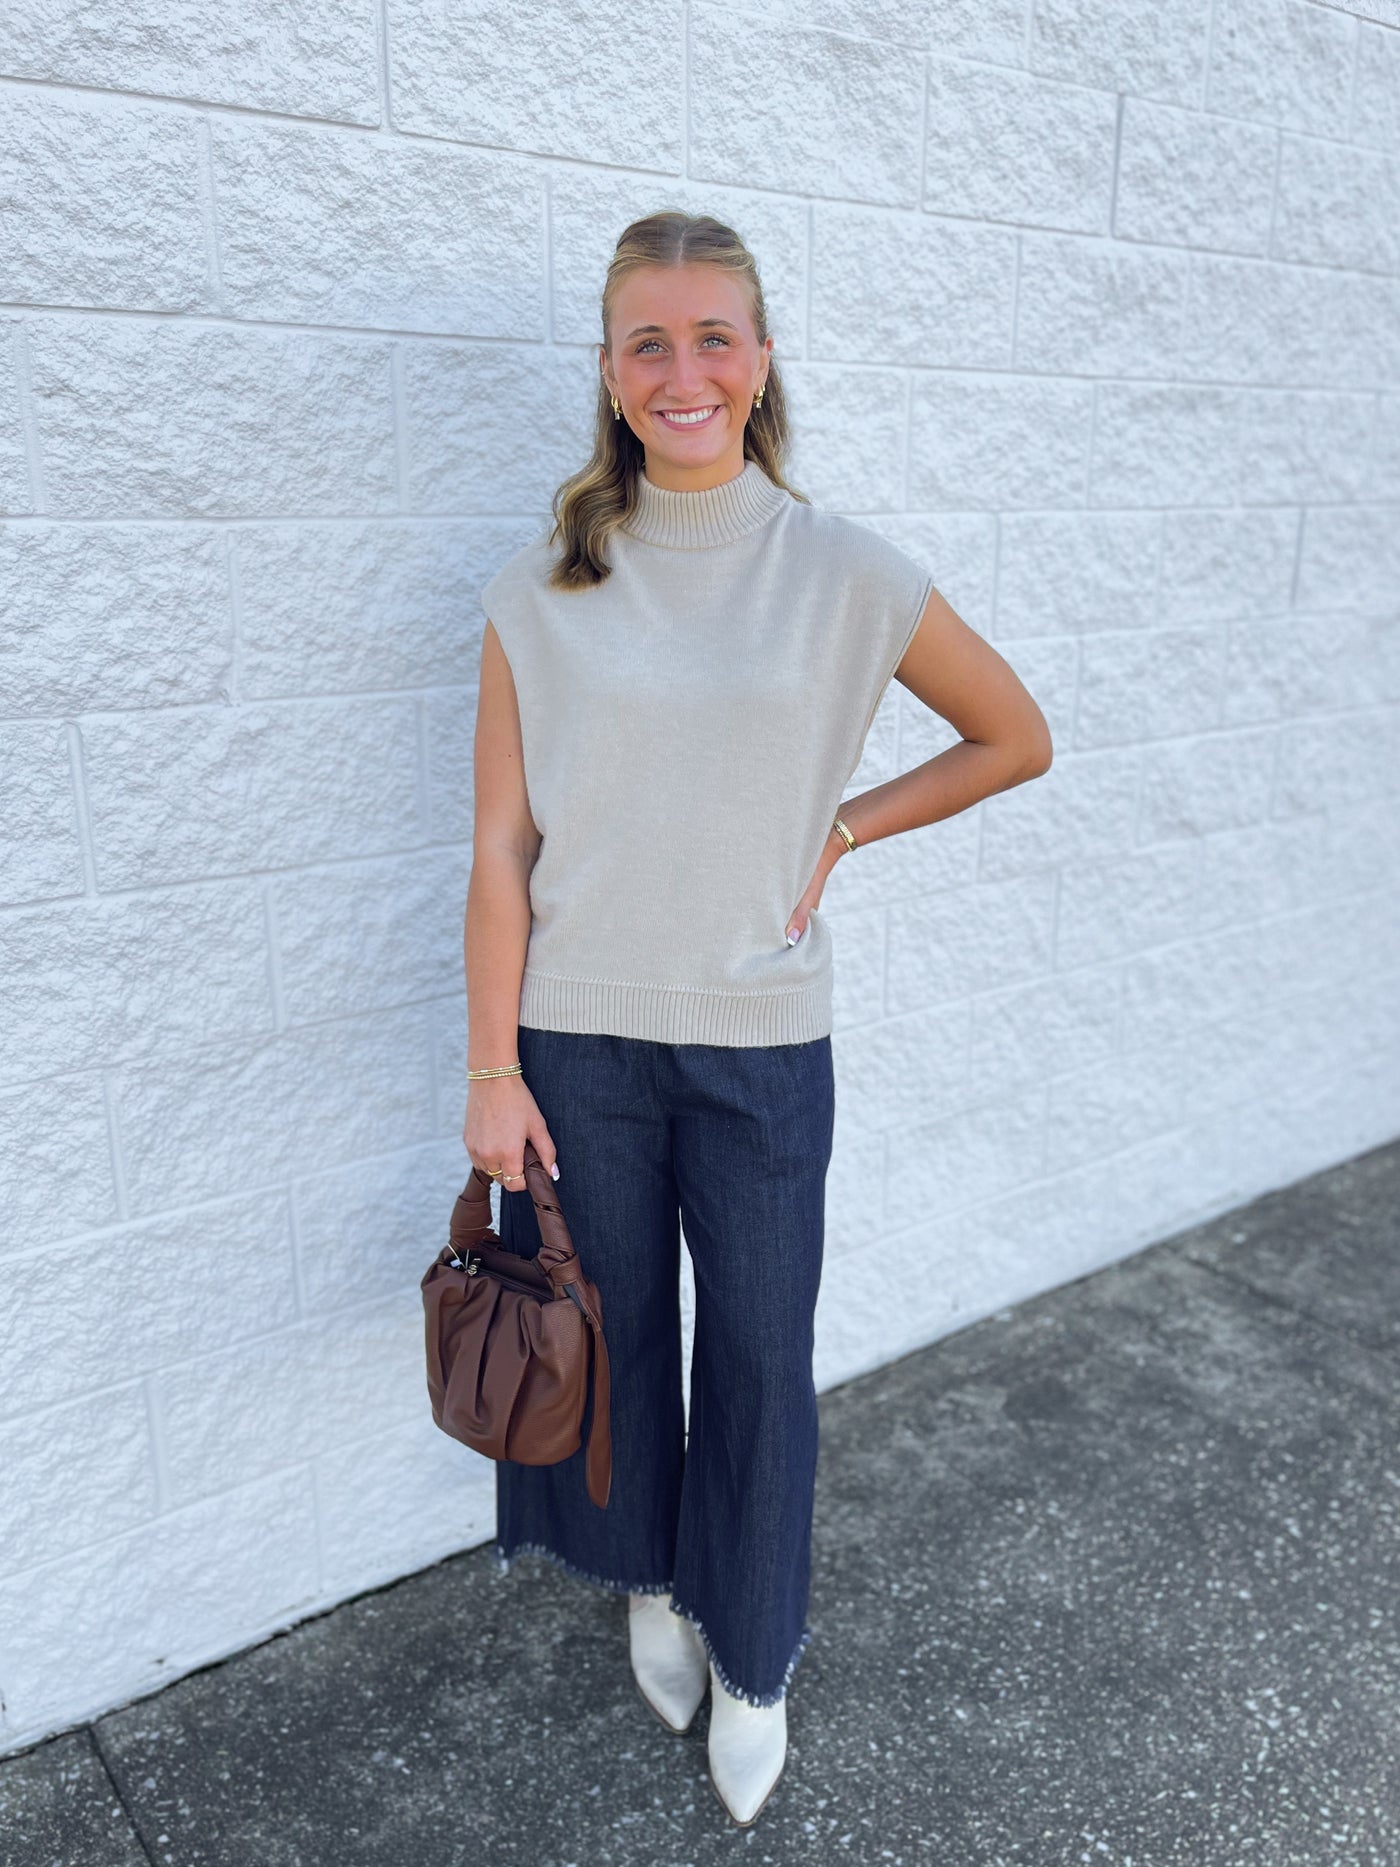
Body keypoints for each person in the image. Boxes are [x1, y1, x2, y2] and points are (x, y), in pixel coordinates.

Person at [461, 209, 1053, 1826]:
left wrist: (844, 829)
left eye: (712, 335)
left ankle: (757, 1650)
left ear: (763, 356)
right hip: (579, 1046)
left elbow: (1015, 736)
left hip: (764, 1045)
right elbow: (502, 856)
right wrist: (493, 1065)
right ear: (607, 372)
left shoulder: (846, 574)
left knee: (762, 1360)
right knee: (622, 1338)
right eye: (647, 341)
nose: (683, 370)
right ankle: (650, 1576)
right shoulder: (539, 589)